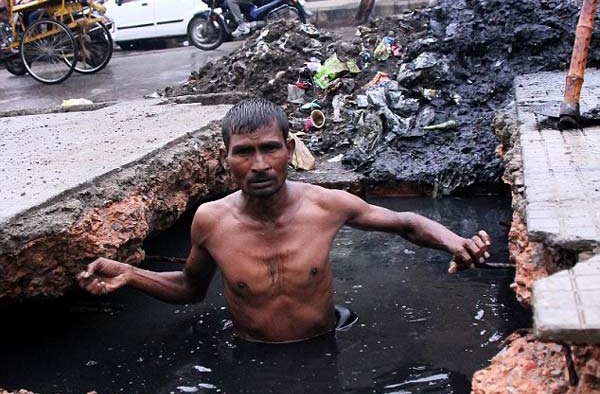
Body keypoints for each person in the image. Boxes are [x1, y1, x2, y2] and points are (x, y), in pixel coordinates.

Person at [78, 98, 492, 344]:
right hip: (251, 355)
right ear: (225, 159)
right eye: (244, 152)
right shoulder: (211, 220)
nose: (259, 164)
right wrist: (131, 274)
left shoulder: (326, 206)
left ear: (289, 149)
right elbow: (190, 288)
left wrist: (454, 241)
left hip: (326, 345)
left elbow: (405, 222)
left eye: (270, 148)